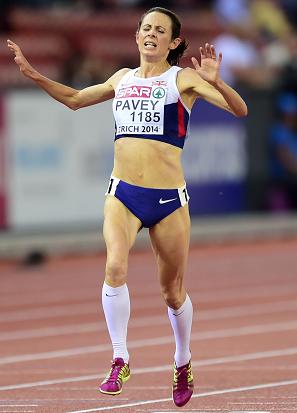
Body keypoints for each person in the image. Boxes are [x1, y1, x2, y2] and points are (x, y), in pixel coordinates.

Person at [7, 6, 247, 407]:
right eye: (146, 28)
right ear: (137, 37)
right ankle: (120, 357)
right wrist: (33, 74)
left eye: (160, 30)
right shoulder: (121, 79)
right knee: (114, 266)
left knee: (172, 293)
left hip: (169, 201)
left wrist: (217, 83)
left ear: (173, 43)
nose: (151, 34)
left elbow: (240, 110)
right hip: (123, 195)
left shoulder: (183, 79)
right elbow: (75, 99)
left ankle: (182, 360)